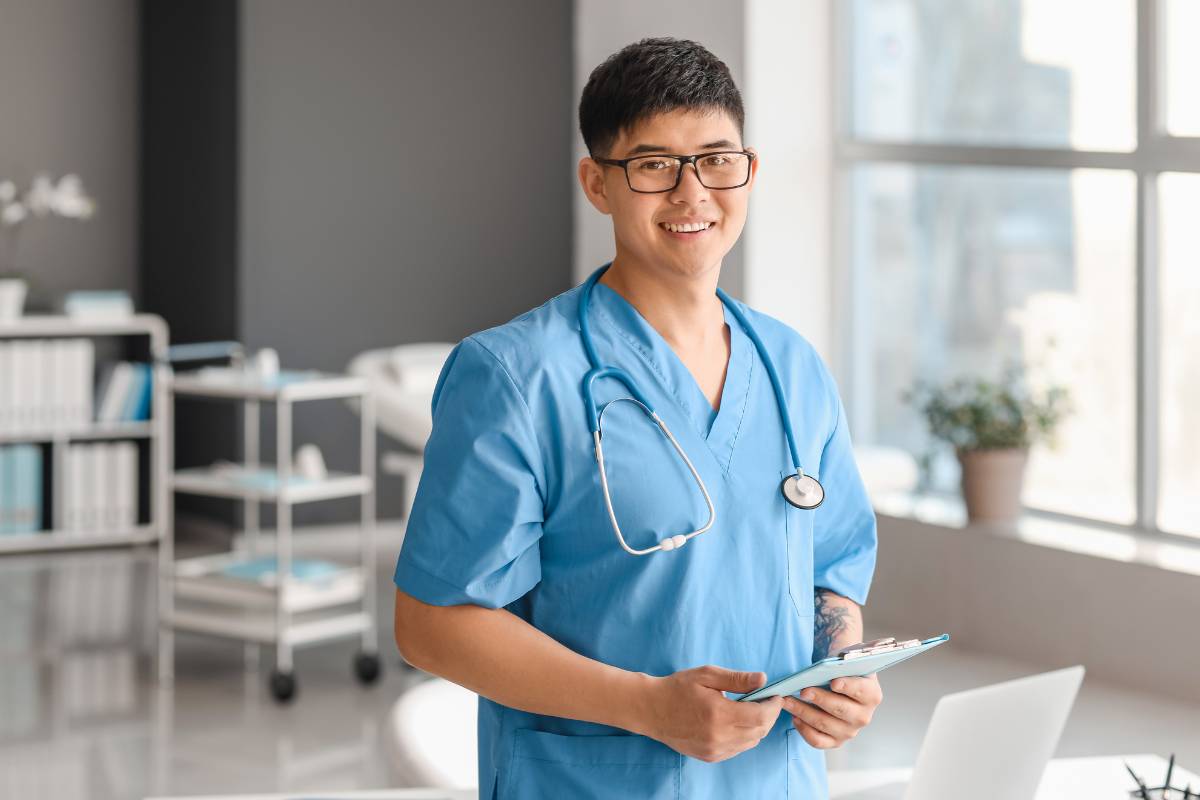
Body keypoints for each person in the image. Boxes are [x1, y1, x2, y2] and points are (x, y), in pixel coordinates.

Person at [393, 37, 880, 799]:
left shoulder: (792, 370)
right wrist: (648, 708)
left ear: (747, 169)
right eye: (654, 166)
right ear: (597, 183)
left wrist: (842, 672)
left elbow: (832, 570)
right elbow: (432, 623)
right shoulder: (517, 376)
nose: (693, 195)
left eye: (717, 160)